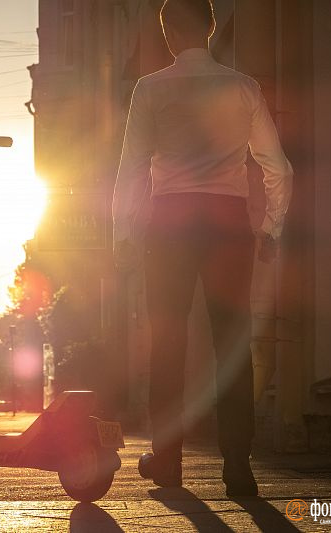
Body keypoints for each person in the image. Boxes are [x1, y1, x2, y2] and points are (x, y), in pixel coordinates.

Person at [112, 0, 293, 498]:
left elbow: (131, 168)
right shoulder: (242, 86)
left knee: (167, 344)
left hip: (170, 223)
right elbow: (276, 166)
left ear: (168, 31)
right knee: (231, 345)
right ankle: (238, 468)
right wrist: (272, 229)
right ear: (212, 28)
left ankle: (167, 464)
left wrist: (123, 237)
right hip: (227, 222)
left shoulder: (149, 89)